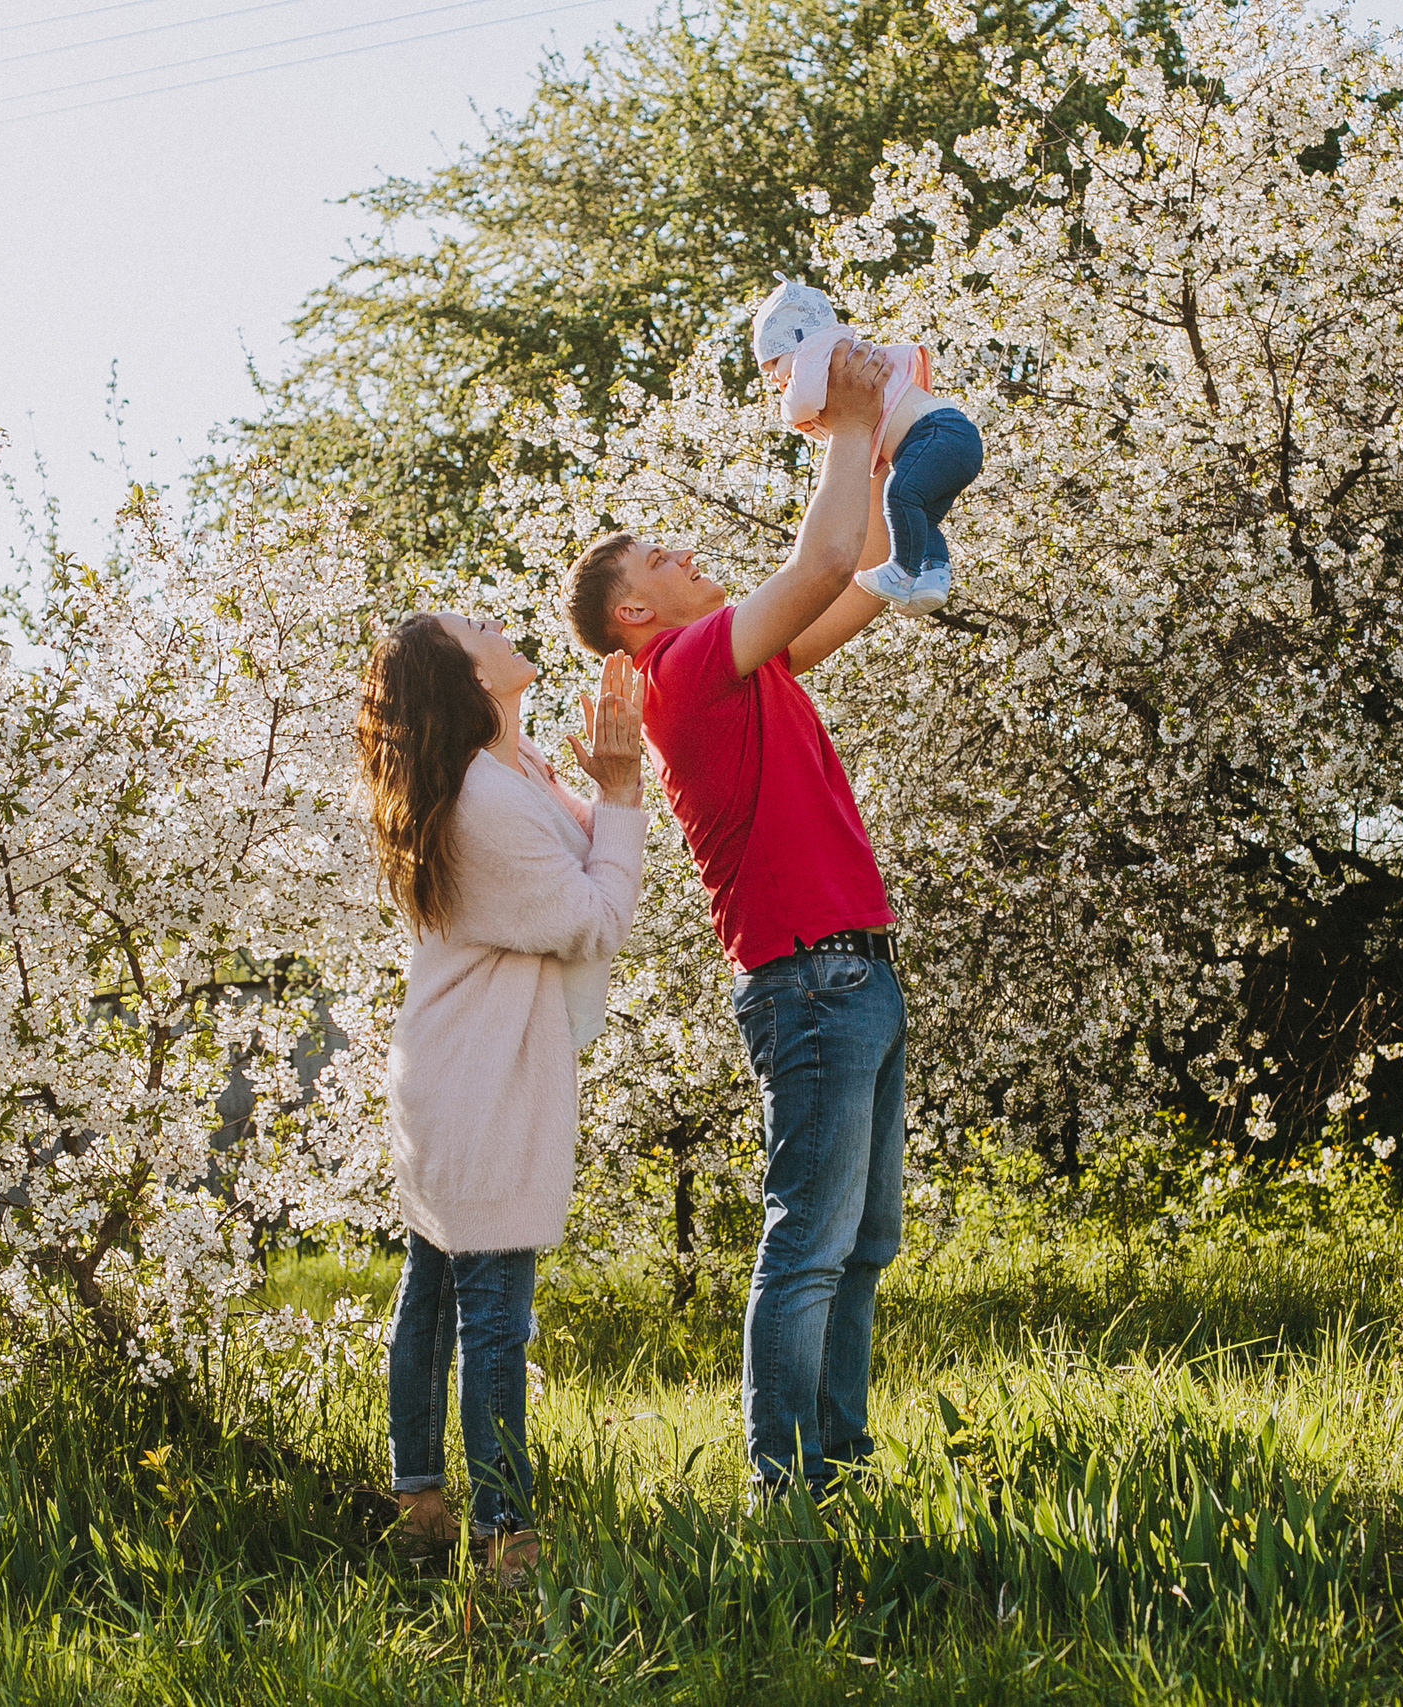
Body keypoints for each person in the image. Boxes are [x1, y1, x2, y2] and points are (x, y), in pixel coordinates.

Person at [559, 339, 904, 1498]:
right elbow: (816, 563)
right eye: (664, 555)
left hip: (855, 968)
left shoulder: (748, 667)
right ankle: (786, 1488)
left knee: (860, 1245)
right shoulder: (682, 669)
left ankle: (839, 1469)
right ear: (635, 610)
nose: (689, 553)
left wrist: (892, 454)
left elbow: (862, 568)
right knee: (810, 1244)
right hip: (812, 979)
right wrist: (847, 425)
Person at [359, 614, 649, 1573]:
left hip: (459, 1067)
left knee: (438, 1287)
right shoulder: (484, 798)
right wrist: (621, 792)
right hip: (478, 1079)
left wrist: (591, 787)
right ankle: (503, 1538)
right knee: (486, 1307)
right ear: (465, 677)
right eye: (470, 626)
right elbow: (594, 916)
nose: (491, 618)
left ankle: (422, 1504)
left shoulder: (506, 771)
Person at [749, 273, 984, 618]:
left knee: (899, 496)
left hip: (934, 433)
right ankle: (933, 574)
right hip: (951, 438)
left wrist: (791, 412)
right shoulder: (838, 353)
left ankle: (901, 572)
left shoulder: (817, 351)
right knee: (920, 516)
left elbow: (799, 403)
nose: (773, 377)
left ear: (796, 343)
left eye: (774, 363)